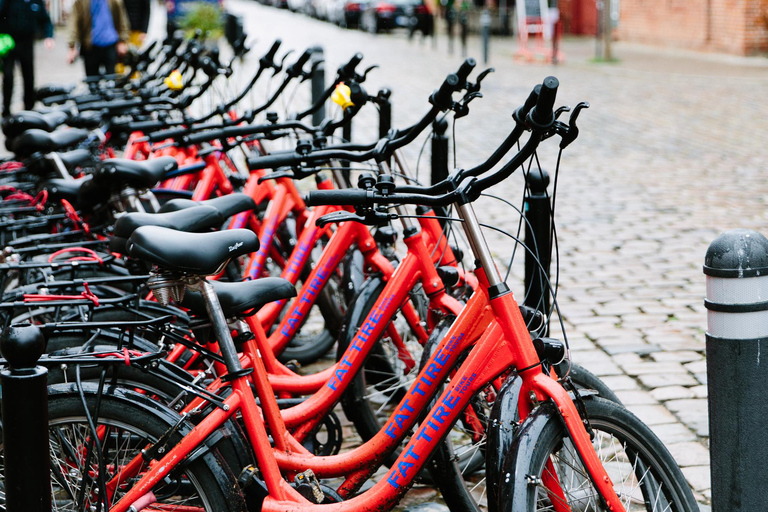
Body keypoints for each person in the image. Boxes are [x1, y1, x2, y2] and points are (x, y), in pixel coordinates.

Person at [0, 0, 55, 116]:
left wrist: (48, 36)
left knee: (28, 75)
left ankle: (29, 108)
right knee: (8, 76)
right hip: (9, 42)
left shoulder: (35, 1)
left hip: (27, 42)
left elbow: (45, 19)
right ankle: (6, 110)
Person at [67, 0, 130, 77]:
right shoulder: (81, 2)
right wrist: (72, 46)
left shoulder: (115, 1)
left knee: (112, 79)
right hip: (90, 46)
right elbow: (74, 22)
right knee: (92, 80)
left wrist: (122, 41)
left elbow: (122, 20)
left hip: (110, 45)